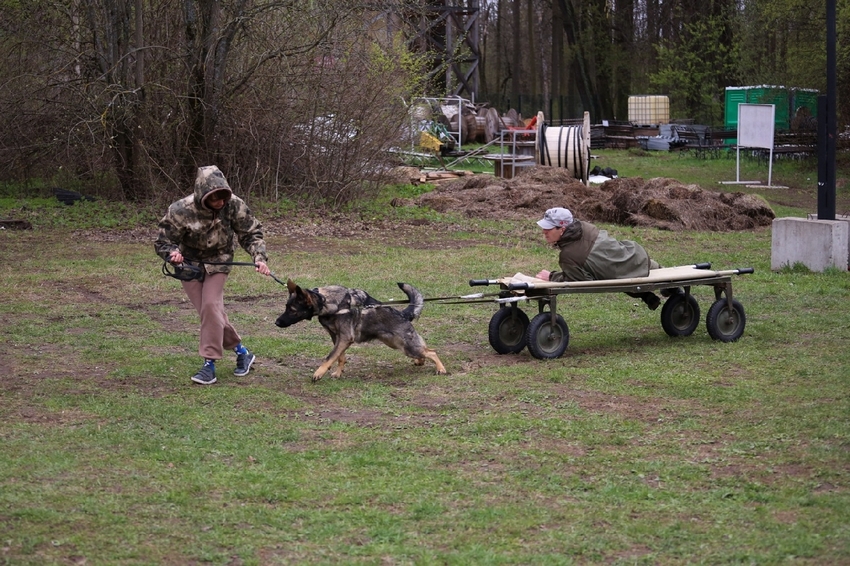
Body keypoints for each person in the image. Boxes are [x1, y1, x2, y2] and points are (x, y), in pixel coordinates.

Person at [155, 165, 272, 385]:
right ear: (203, 196)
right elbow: (163, 240)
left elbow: (251, 233)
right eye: (215, 199)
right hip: (189, 265)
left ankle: (209, 364)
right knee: (211, 312)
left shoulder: (234, 204)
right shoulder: (180, 210)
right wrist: (173, 254)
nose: (220, 203)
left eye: (222, 198)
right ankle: (242, 352)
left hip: (219, 261)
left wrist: (259, 257)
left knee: (210, 306)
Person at [534, 207, 665, 310]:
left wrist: (551, 276)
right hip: (634, 254)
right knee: (656, 271)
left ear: (562, 229)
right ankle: (661, 291)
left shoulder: (568, 256)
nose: (544, 231)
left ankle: (658, 292)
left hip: (625, 270)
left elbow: (579, 281)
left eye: (548, 228)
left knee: (611, 274)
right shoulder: (584, 226)